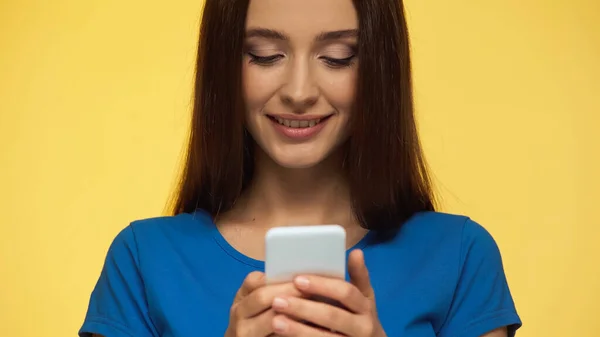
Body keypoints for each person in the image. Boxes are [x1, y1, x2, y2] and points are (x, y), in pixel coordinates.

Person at [79, 0, 522, 336]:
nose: (299, 91)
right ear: (223, 66)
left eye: (338, 57)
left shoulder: (460, 256)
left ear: (380, 69)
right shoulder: (142, 260)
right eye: (266, 55)